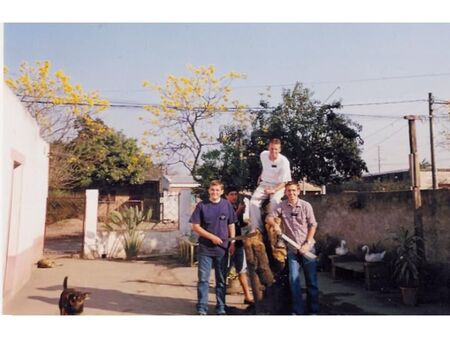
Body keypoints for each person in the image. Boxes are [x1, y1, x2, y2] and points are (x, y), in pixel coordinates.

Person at [266, 180, 319, 315]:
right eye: (289, 191)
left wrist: (307, 244)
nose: (291, 193)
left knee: (311, 282)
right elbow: (269, 217)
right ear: (286, 192)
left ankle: (314, 311)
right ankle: (298, 311)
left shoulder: (306, 206)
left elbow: (313, 225)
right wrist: (275, 225)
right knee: (293, 280)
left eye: (294, 190)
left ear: (298, 191)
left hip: (308, 248)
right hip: (292, 250)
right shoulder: (282, 206)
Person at [190, 180, 237, 315]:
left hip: (222, 250)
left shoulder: (226, 205)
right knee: (203, 280)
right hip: (205, 249)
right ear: (209, 191)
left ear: (222, 192)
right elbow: (195, 226)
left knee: (221, 280)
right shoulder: (202, 206)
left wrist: (232, 242)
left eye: (217, 190)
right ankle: (202, 307)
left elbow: (231, 224)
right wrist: (211, 237)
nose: (214, 192)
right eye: (212, 190)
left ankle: (221, 306)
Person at [249, 138, 292, 232]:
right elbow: (265, 167)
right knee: (252, 203)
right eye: (271, 148)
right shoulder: (263, 155)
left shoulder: (284, 162)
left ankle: (271, 222)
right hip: (264, 184)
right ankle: (256, 229)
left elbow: (285, 182)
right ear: (268, 148)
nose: (273, 151)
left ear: (279, 149)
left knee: (275, 201)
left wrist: (273, 191)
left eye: (276, 149)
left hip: (279, 185)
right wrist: (261, 175)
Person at [224, 186, 254, 305]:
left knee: (241, 270)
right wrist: (238, 212)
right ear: (226, 195)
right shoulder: (224, 207)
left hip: (238, 242)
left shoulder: (236, 206)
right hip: (226, 243)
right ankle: (221, 302)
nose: (234, 197)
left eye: (235, 194)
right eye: (231, 194)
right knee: (223, 271)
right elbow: (227, 223)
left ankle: (247, 296)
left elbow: (239, 224)